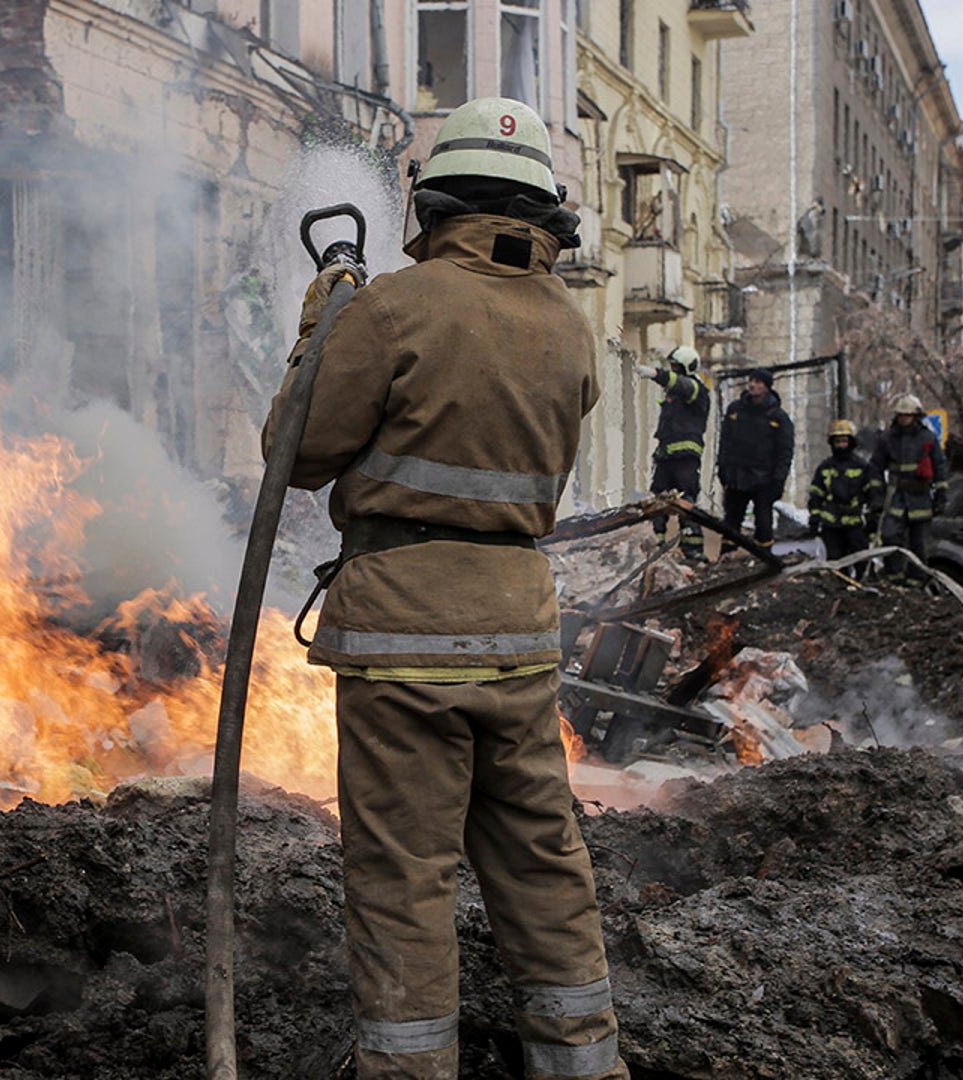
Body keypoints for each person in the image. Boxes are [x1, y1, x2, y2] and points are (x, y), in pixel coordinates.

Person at [265, 96, 625, 1080]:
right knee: (544, 870)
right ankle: (586, 1066)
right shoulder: (572, 331)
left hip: (403, 643)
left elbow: (294, 454)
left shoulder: (392, 306)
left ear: (435, 204)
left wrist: (322, 322)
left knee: (404, 886)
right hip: (519, 638)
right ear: (543, 214)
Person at [638, 345, 710, 560]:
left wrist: (656, 374)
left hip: (685, 459)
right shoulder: (675, 397)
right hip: (666, 457)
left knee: (685, 502)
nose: (674, 370)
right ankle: (655, 544)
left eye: (677, 367)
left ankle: (693, 549)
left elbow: (682, 385)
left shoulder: (696, 389)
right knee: (657, 500)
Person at [715, 367, 794, 550]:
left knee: (763, 521)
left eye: (758, 382)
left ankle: (764, 560)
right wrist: (724, 469)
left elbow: (785, 451)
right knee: (731, 521)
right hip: (737, 476)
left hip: (764, 479)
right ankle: (727, 557)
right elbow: (725, 441)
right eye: (751, 381)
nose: (752, 385)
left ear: (767, 387)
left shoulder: (778, 418)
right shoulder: (735, 410)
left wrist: (778, 479)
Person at [872, 392, 949, 579]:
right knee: (889, 536)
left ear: (916, 416)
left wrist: (941, 496)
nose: (903, 418)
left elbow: (940, 467)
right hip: (896, 497)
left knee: (919, 544)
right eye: (900, 415)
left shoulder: (928, 438)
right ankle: (894, 576)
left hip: (920, 498)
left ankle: (917, 581)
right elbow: (875, 468)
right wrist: (877, 496)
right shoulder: (887, 438)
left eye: (907, 415)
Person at [807, 419, 882, 562]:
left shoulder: (862, 467)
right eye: (837, 442)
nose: (841, 446)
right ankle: (839, 584)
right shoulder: (825, 467)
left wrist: (872, 518)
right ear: (832, 443)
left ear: (851, 442)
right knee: (835, 560)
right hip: (831, 524)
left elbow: (872, 495)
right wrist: (815, 519)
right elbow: (816, 495)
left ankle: (858, 583)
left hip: (855, 523)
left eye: (844, 441)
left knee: (860, 559)